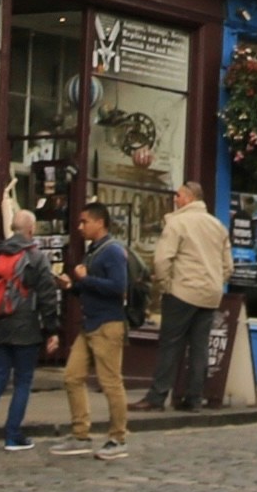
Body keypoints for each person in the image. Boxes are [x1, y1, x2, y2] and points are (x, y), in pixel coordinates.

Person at [0, 217, 57, 452]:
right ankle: (13, 435)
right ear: (31, 229)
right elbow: (47, 297)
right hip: (24, 329)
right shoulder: (36, 258)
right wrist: (51, 330)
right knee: (23, 381)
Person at [55, 202, 133, 458]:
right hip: (89, 323)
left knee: (111, 383)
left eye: (84, 221)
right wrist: (71, 286)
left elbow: (118, 286)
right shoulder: (93, 251)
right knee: (72, 376)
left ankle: (118, 438)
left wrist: (85, 279)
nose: (80, 227)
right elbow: (90, 287)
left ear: (100, 222)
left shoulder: (112, 251)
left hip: (108, 324)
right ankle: (80, 434)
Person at [145, 180, 226, 413]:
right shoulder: (217, 226)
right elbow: (227, 265)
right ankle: (194, 399)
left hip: (182, 291)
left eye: (179, 195)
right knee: (200, 347)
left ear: (189, 198)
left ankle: (157, 397)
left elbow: (162, 260)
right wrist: (216, 283)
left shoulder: (177, 222)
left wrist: (166, 285)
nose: (175, 199)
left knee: (170, 345)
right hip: (209, 295)